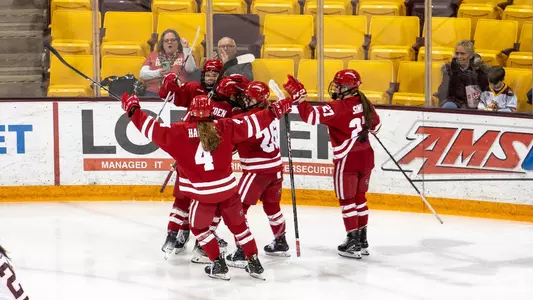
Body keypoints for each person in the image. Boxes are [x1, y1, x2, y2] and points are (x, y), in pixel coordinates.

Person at [120, 92, 293, 280]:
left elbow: (150, 127)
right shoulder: (225, 126)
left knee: (200, 229)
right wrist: (275, 110)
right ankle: (254, 263)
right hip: (228, 192)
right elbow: (253, 122)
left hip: (203, 196)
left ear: (191, 112)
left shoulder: (178, 132)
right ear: (211, 112)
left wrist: (133, 110)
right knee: (240, 227)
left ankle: (218, 264)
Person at [285, 71, 381, 259]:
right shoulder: (364, 102)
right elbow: (376, 126)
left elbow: (311, 117)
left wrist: (301, 100)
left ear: (346, 88)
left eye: (338, 85)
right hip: (366, 155)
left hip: (347, 159)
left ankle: (352, 241)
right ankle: (362, 240)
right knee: (360, 198)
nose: (335, 88)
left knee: (347, 201)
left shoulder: (338, 106)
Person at [159, 70, 250, 263]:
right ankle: (202, 242)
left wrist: (170, 85)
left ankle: (174, 237)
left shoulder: (201, 100)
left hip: (187, 160)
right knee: (210, 203)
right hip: (208, 167)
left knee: (183, 201)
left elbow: (172, 102)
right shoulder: (230, 114)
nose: (241, 99)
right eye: (238, 95)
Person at [225, 81, 290, 268]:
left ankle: (242, 250)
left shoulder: (249, 119)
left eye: (250, 97)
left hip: (256, 171)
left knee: (238, 209)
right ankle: (280, 241)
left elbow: (236, 138)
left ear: (260, 99)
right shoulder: (272, 113)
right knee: (272, 207)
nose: (246, 100)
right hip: (275, 168)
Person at [434, 40, 489, 109]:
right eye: (457, 53)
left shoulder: (480, 70)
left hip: (474, 103)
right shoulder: (449, 69)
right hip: (454, 101)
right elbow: (443, 92)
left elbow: (484, 92)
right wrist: (454, 75)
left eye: (462, 54)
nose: (459, 56)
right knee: (448, 106)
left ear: (471, 55)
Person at [140, 29, 196, 97]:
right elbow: (142, 74)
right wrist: (158, 73)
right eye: (166, 40)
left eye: (173, 40)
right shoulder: (153, 55)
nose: (169, 42)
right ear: (162, 43)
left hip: (178, 93)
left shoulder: (185, 54)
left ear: (178, 42)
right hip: (154, 93)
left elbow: (191, 69)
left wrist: (186, 48)